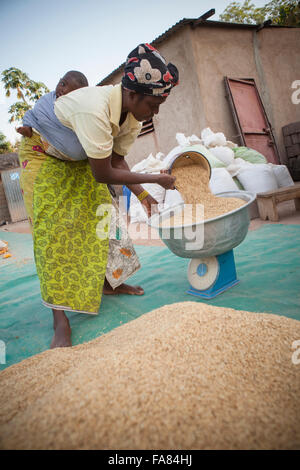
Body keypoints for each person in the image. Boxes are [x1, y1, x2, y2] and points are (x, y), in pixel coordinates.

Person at [18, 43, 178, 349]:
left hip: (81, 160)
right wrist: (155, 178)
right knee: (52, 229)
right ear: (132, 95)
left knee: (105, 214)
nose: (155, 112)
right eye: (152, 105)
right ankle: (59, 317)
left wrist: (143, 193)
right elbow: (103, 174)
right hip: (43, 154)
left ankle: (111, 283)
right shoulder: (96, 108)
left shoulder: (132, 117)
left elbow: (116, 161)